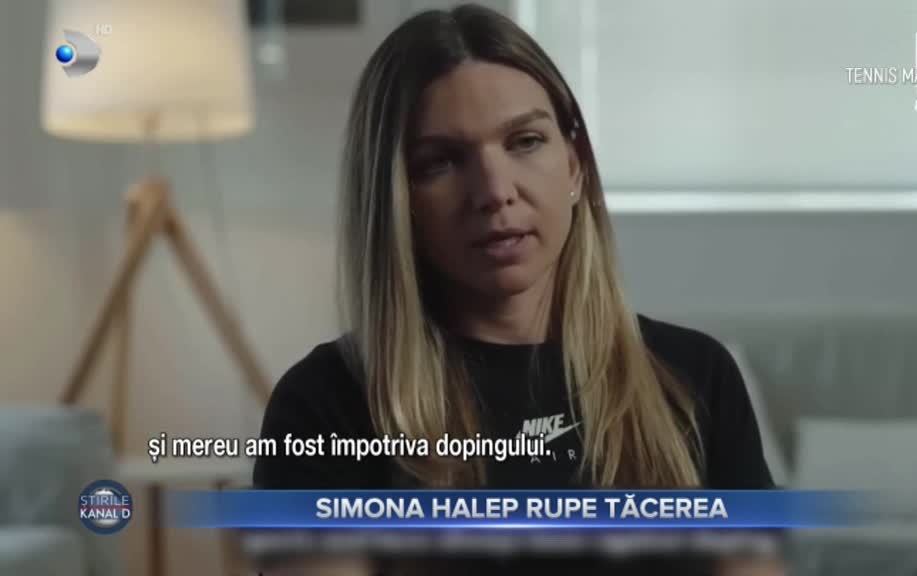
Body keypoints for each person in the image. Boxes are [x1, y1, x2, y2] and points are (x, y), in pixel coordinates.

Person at [253, 3, 778, 574]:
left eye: (525, 141)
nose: (495, 190)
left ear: (575, 166)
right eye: (441, 161)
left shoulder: (695, 377)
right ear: (396, 199)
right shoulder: (326, 407)